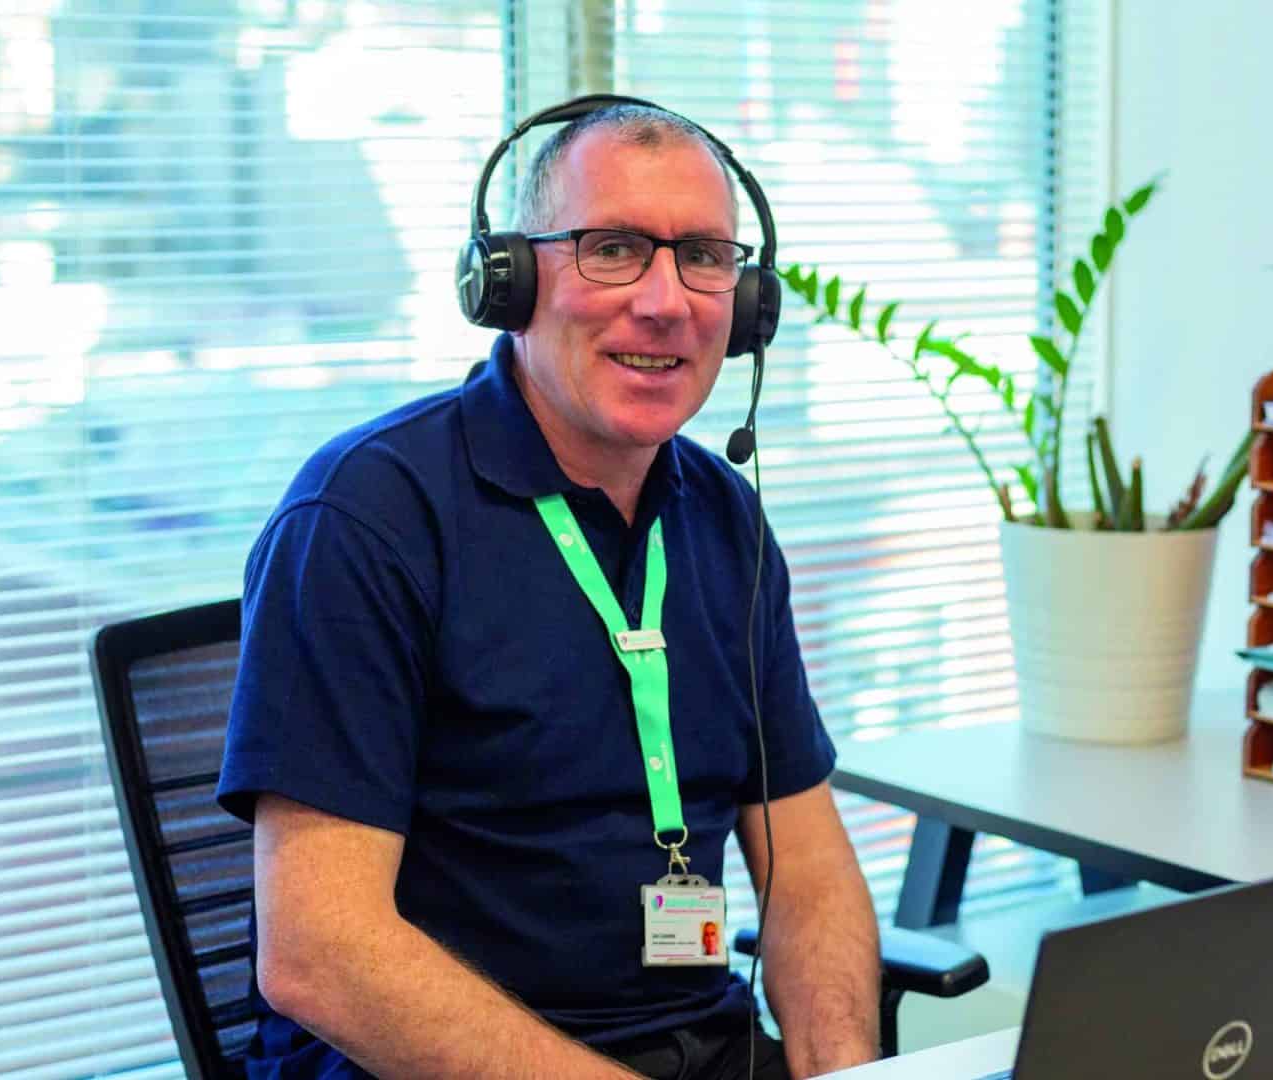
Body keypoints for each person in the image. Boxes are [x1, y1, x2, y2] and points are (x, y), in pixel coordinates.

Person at [217, 101, 881, 1080]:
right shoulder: (367, 518)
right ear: (510, 282)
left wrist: (849, 1074)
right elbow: (318, 953)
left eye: (703, 256)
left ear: (745, 307)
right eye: (612, 248)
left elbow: (810, 878)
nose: (665, 301)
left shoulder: (724, 520)